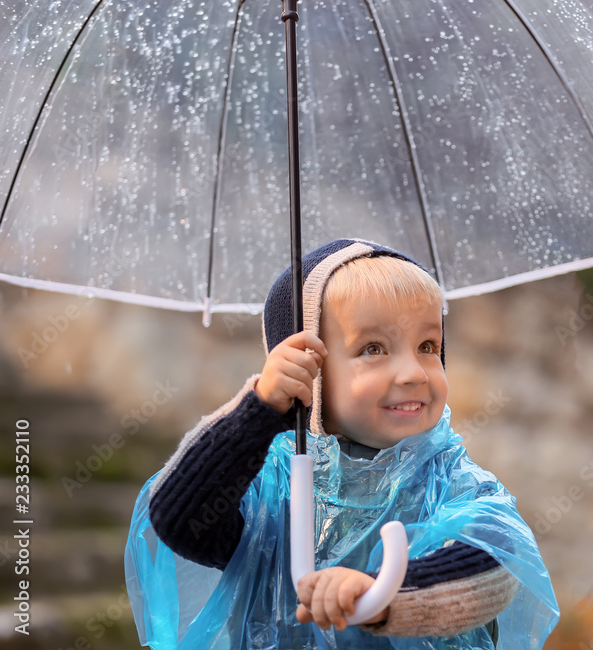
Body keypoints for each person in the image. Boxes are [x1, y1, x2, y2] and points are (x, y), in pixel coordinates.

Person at [124, 239, 559, 649]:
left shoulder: (454, 483)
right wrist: (259, 409)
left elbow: (491, 569)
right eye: (373, 348)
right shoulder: (275, 487)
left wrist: (383, 593)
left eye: (428, 345)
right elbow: (180, 517)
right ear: (305, 374)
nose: (414, 373)